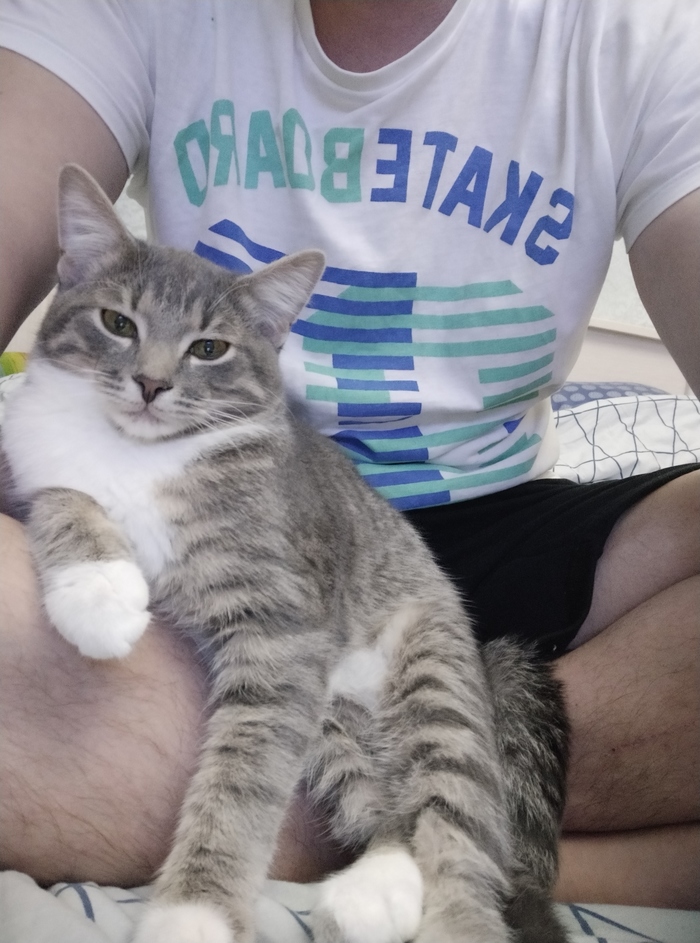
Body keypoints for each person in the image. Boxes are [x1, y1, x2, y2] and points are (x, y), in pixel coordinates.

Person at [0, 0, 698, 909]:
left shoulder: (639, 31)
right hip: (214, 500)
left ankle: (395, 818)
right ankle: (462, 845)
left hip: (493, 522)